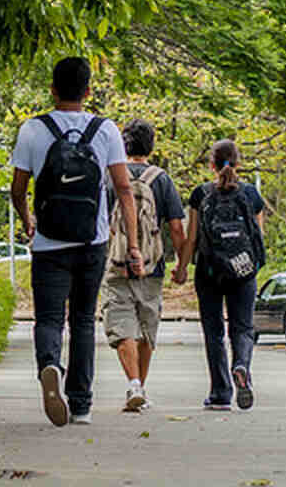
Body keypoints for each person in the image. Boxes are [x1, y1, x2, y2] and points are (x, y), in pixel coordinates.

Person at [10, 57, 137, 427]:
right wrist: (131, 244)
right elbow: (124, 189)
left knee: (49, 317)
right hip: (91, 242)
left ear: (52, 89)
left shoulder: (33, 130)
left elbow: (18, 190)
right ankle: (80, 404)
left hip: (49, 243)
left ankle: (50, 363)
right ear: (88, 91)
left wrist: (28, 222)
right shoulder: (106, 130)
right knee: (83, 319)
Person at [101, 120, 187, 413]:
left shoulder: (112, 176)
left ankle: (134, 384)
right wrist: (181, 264)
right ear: (151, 146)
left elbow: (101, 222)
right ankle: (140, 388)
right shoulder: (161, 179)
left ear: (124, 146)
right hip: (152, 267)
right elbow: (176, 227)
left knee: (121, 322)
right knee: (147, 327)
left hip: (116, 264)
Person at [184, 139, 266, 411]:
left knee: (214, 330)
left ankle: (220, 392)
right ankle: (241, 366)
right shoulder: (251, 195)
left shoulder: (200, 194)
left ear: (211, 164)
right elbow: (258, 238)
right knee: (242, 327)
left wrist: (182, 267)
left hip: (209, 270)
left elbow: (192, 237)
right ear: (239, 163)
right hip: (243, 270)